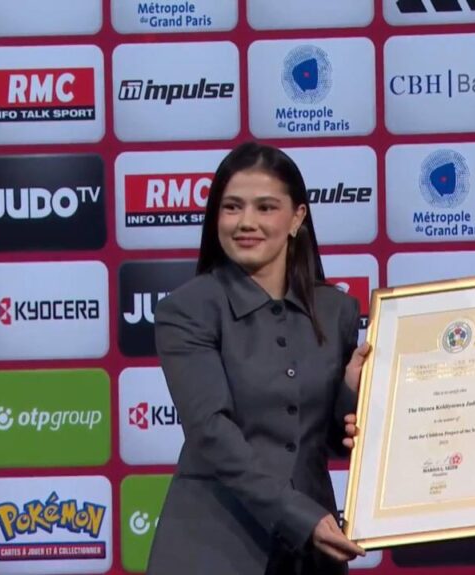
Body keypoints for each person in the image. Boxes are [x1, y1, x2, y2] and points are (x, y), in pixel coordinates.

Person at [147, 141, 369, 575]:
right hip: (214, 550)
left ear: (297, 217)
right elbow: (212, 433)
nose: (246, 222)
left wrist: (352, 392)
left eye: (266, 207)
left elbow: (328, 442)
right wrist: (300, 516)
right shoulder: (187, 309)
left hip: (312, 557)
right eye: (232, 207)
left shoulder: (336, 310)